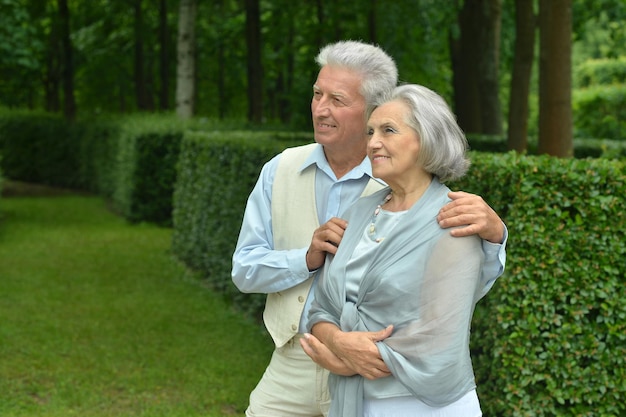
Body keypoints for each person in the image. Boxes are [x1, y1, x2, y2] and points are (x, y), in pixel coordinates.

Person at [232, 41, 507, 417]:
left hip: (388, 383)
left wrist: (495, 237)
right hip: (296, 357)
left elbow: (448, 308)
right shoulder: (284, 172)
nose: (320, 108)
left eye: (337, 99)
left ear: (371, 108)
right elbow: (253, 274)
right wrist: (307, 260)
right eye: (317, 94)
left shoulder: (427, 199)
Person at [303, 83, 490, 417]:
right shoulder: (359, 212)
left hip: (425, 405)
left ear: (427, 140)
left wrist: (349, 363)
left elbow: (438, 338)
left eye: (388, 130)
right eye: (370, 131)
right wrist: (338, 342)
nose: (373, 142)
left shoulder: (454, 220)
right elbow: (320, 305)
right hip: (356, 403)